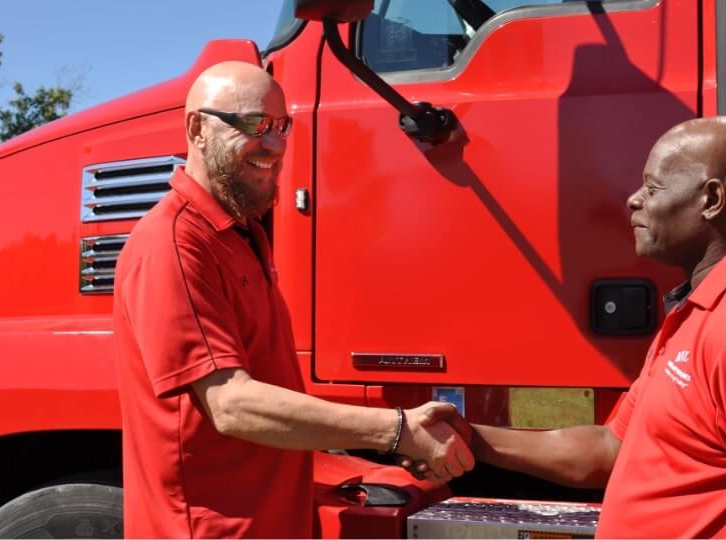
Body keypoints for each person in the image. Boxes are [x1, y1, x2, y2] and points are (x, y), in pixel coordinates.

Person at [406, 117, 726, 538]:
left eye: (653, 187)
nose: (634, 199)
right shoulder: (703, 306)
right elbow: (609, 449)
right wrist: (471, 438)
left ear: (711, 200)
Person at [113, 61, 473, 538]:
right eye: (253, 124)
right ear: (196, 129)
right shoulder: (174, 245)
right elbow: (232, 403)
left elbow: (270, 394)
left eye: (282, 125)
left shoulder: (242, 233)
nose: (277, 144)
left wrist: (381, 447)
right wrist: (394, 431)